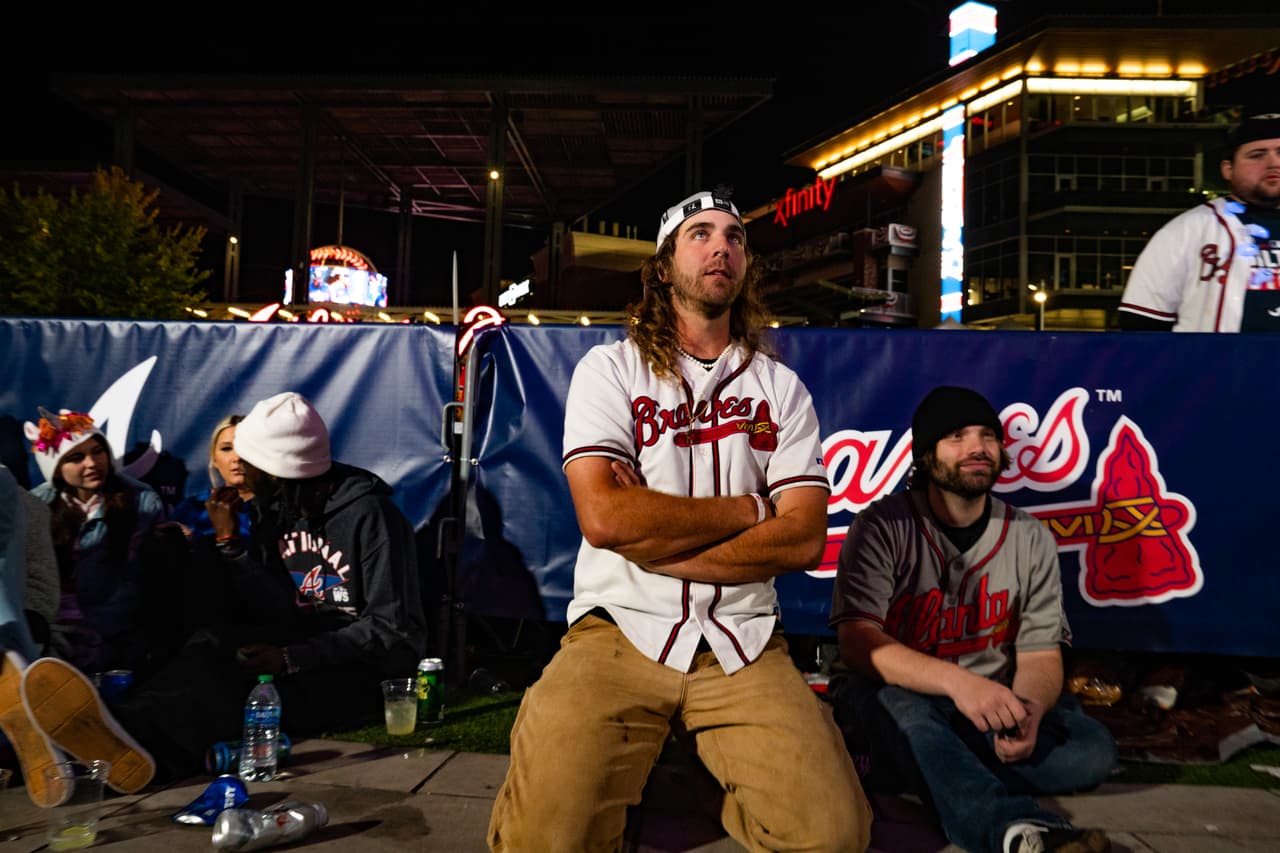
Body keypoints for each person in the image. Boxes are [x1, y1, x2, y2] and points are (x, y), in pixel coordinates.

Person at [487, 189, 872, 852]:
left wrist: (657, 541)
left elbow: (804, 537)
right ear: (664, 267)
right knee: (547, 839)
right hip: (618, 630)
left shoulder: (780, 388)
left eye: (734, 236)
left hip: (743, 639)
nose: (721, 246)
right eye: (700, 234)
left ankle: (700, 774)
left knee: (835, 836)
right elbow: (606, 518)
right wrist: (751, 508)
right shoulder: (611, 370)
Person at [4, 390, 429, 790]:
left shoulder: (371, 515)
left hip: (362, 671)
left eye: (249, 462)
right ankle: (105, 729)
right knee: (211, 643)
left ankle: (137, 755)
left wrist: (291, 657)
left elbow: (393, 628)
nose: (240, 469)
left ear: (276, 470)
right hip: (306, 641)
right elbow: (280, 606)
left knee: (227, 690)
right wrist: (230, 548)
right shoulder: (278, 508)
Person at [828, 386, 1117, 853]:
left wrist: (1029, 712)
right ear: (927, 456)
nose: (977, 447)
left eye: (987, 436)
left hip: (987, 706)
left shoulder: (1029, 536)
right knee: (910, 717)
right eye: (956, 436)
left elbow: (1040, 655)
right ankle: (1015, 829)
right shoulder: (882, 526)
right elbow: (858, 643)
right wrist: (959, 684)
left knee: (1092, 750)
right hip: (895, 694)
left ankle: (918, 767)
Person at [23, 408, 166, 674]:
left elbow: (151, 580)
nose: (92, 463)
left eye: (98, 452)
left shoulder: (141, 500)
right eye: (77, 457)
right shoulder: (34, 505)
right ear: (56, 468)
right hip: (53, 638)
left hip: (117, 635)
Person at [1118, 111, 1280, 332]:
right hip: (1219, 356)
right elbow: (1141, 323)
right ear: (1228, 169)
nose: (1273, 163)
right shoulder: (1187, 229)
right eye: (1257, 155)